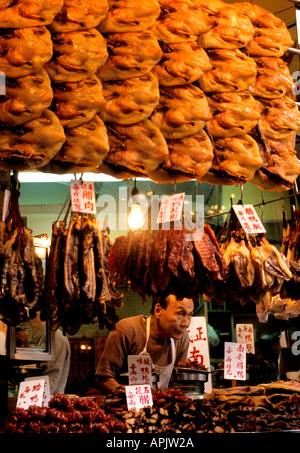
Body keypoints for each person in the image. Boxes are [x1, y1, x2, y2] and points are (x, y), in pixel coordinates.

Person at [95, 294, 194, 395]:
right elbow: (102, 379)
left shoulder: (182, 338)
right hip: (125, 407)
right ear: (158, 311)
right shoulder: (127, 330)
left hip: (160, 408)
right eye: (180, 314)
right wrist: (134, 397)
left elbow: (178, 382)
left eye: (189, 315)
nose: (186, 323)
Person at [27, 312, 71, 395]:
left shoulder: (56, 338)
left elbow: (51, 381)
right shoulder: (36, 337)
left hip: (47, 401)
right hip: (34, 398)